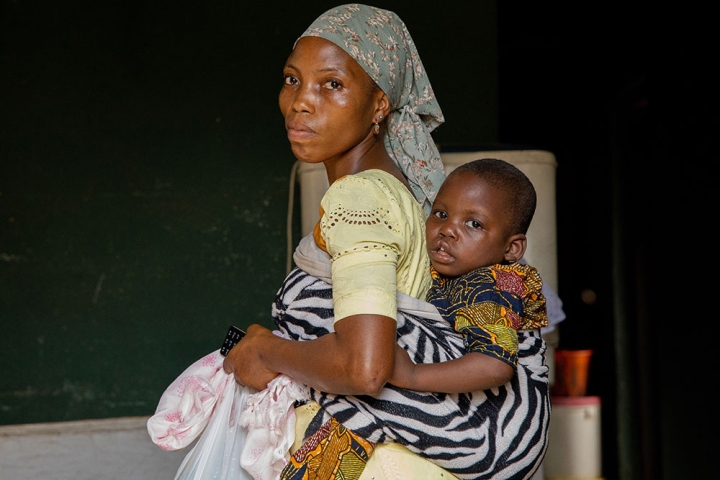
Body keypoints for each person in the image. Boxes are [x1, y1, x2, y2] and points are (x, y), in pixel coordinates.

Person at [223, 4, 551, 480]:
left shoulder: (360, 197)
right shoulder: (401, 192)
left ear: (379, 105)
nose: (301, 101)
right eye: (292, 79)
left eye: (332, 84)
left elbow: (365, 368)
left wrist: (264, 349)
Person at [390, 157, 547, 395]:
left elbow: (494, 366)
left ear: (511, 248)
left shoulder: (489, 285)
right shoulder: (450, 272)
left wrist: (410, 374)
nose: (448, 230)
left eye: (474, 223)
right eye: (441, 214)